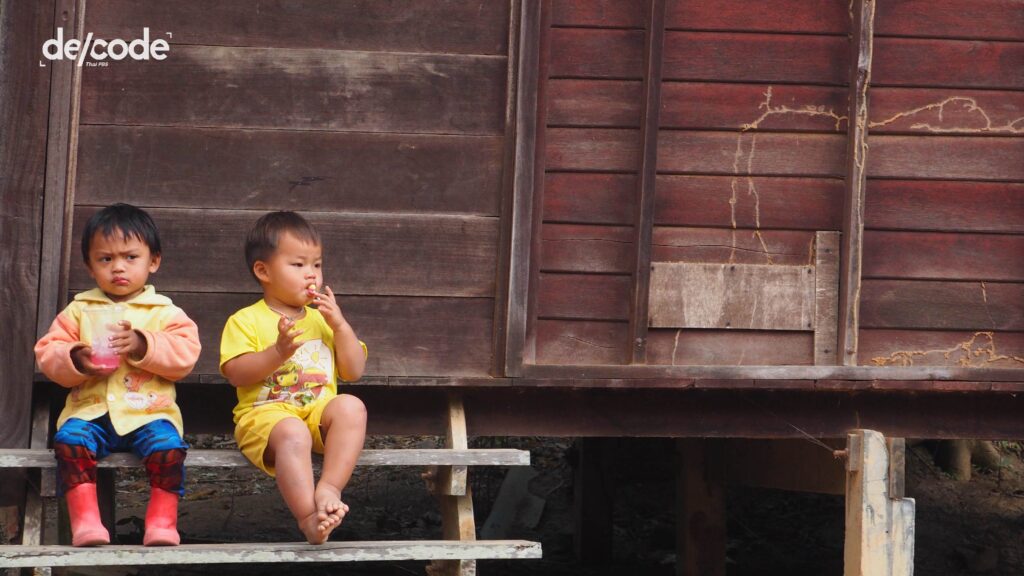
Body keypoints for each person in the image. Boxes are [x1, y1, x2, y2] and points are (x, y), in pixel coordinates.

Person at [35, 204, 201, 547]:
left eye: (130, 257)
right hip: (90, 411)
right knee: (70, 442)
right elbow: (48, 352)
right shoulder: (79, 310)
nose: (118, 267)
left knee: (168, 449)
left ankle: (162, 522)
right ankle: (85, 521)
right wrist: (76, 358)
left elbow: (186, 355)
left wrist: (143, 344)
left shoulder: (165, 312)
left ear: (153, 261)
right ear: (89, 265)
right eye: (106, 259)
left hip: (150, 413)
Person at [219, 211, 367, 544]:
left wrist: (341, 326)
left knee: (351, 406)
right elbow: (236, 374)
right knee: (292, 431)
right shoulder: (245, 320)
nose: (311, 274)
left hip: (316, 414)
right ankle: (309, 518)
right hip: (266, 419)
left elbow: (353, 371)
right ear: (263, 271)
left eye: (317, 264)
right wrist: (278, 352)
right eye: (298, 265)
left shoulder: (323, 320)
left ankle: (330, 487)